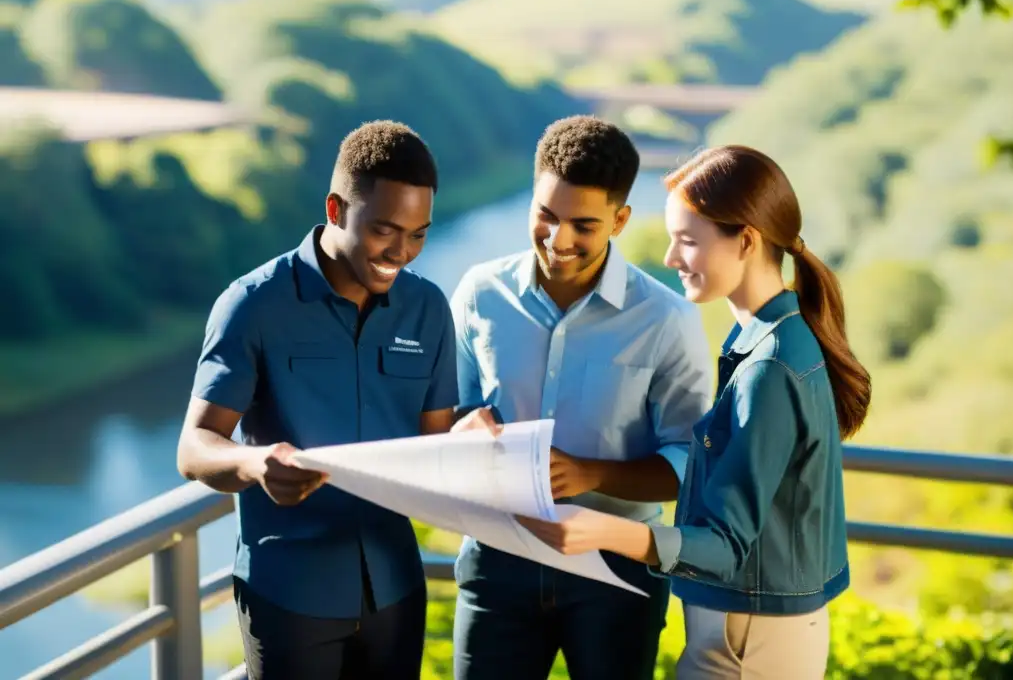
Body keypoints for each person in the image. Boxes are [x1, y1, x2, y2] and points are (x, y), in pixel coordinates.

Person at [518, 144, 872, 679]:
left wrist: (596, 529)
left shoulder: (770, 367)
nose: (669, 258)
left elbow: (727, 545)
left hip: (748, 644)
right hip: (751, 633)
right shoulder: (769, 341)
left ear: (746, 241)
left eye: (687, 240)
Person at [176, 121, 464, 680]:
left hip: (397, 587)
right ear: (335, 209)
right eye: (385, 230)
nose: (401, 252)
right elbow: (194, 447)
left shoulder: (429, 309)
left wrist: (475, 439)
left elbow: (438, 447)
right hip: (288, 592)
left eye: (419, 234)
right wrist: (253, 464)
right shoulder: (252, 304)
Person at [448, 115, 714, 680]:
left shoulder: (668, 321)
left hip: (617, 574)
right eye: (545, 214)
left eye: (583, 225)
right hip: (498, 561)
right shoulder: (478, 293)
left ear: (620, 220)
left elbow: (691, 466)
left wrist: (590, 474)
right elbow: (449, 411)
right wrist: (460, 429)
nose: (558, 239)